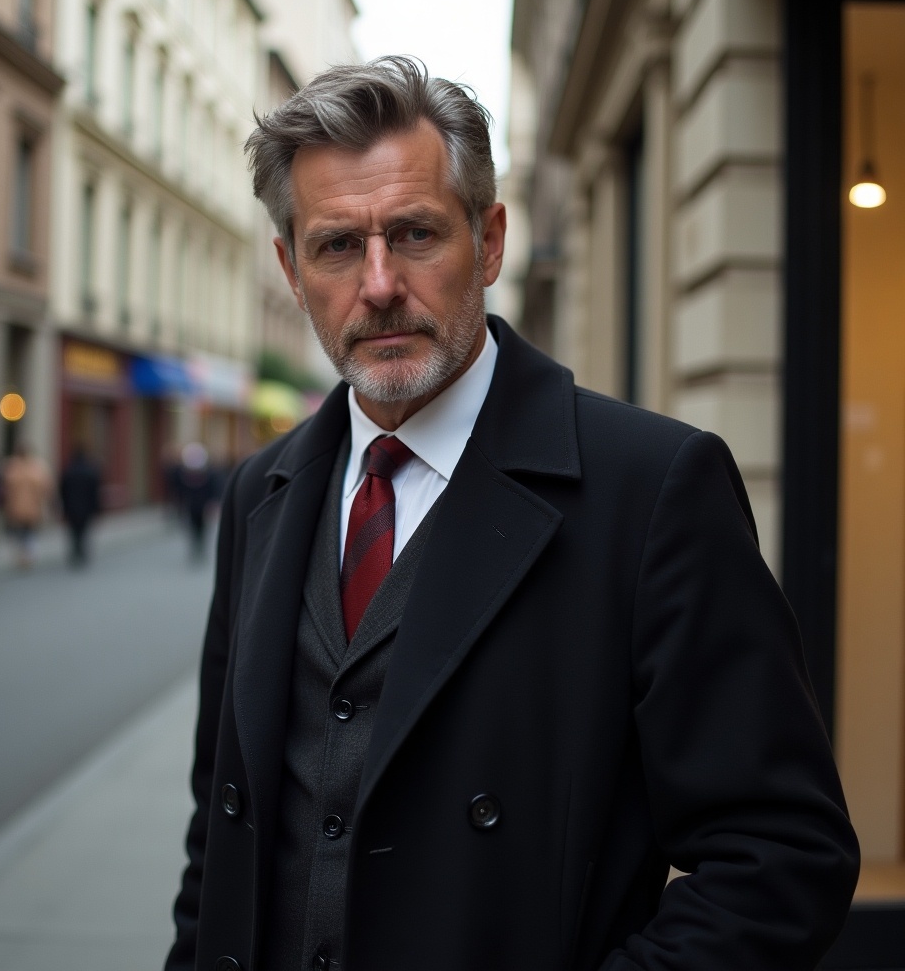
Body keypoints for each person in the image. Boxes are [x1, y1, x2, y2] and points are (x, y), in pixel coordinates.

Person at [165, 57, 859, 971]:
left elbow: (782, 858)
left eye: (414, 233)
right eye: (337, 246)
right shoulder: (260, 493)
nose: (378, 285)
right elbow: (220, 834)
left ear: (488, 242)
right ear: (292, 270)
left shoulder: (652, 490)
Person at [0, 442, 52, 567]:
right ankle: (27, 554)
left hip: (19, 507)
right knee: (26, 531)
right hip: (27, 507)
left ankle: (24, 554)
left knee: (23, 531)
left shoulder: (12, 467)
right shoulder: (35, 467)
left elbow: (5, 487)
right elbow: (44, 487)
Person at [58, 445, 101, 566]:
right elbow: (94, 492)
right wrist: (96, 509)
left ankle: (75, 550)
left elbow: (63, 490)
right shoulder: (90, 471)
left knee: (73, 531)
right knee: (83, 530)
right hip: (86, 508)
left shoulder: (69, 471)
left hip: (71, 507)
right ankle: (81, 551)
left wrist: (64, 506)